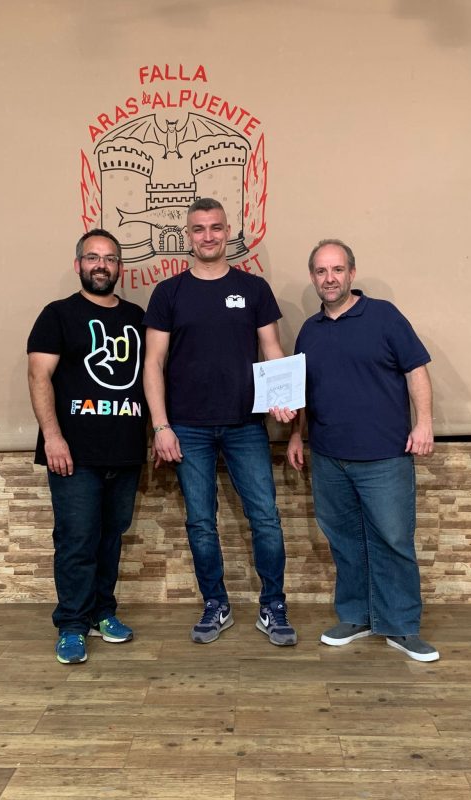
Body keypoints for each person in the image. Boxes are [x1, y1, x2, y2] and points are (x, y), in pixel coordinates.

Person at [143, 197, 297, 646]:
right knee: (200, 522)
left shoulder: (254, 289)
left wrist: (282, 399)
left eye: (215, 227)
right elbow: (153, 363)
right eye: (199, 229)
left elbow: (272, 349)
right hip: (187, 427)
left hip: (245, 425)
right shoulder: (168, 292)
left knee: (265, 518)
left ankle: (273, 605)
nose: (207, 236)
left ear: (228, 231)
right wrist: (160, 426)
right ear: (187, 236)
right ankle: (216, 604)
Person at [278, 238, 439, 662]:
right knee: (345, 542)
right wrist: (296, 434)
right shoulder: (309, 330)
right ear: (313, 277)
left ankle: (401, 626)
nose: (329, 278)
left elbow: (416, 371)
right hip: (329, 457)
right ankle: (356, 616)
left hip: (385, 456)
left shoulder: (384, 316)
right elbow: (301, 391)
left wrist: (424, 423)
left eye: (337, 270)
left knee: (393, 540)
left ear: (351, 272)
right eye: (321, 271)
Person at [27, 229, 147, 664]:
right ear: (78, 264)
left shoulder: (137, 317)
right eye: (93, 257)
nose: (101, 265)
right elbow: (38, 376)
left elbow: (152, 376)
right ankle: (72, 624)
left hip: (125, 451)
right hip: (73, 455)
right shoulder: (58, 315)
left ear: (120, 267)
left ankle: (102, 613)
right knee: (77, 540)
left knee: (111, 538)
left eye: (110, 258)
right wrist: (53, 437)